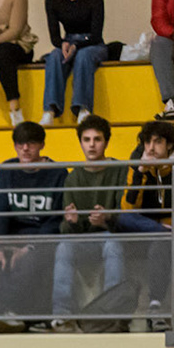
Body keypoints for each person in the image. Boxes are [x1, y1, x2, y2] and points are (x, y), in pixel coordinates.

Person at [118, 119, 174, 329]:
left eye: (157, 142)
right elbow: (128, 210)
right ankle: (116, 311)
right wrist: (140, 171)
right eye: (147, 142)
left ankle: (155, 306)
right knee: (121, 222)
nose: (150, 148)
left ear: (169, 144)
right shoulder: (138, 169)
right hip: (146, 232)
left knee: (161, 240)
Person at [50, 114, 129, 330]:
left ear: (106, 142)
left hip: (111, 235)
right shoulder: (73, 178)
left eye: (97, 139)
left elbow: (129, 215)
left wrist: (107, 220)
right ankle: (62, 314)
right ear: (81, 142)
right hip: (83, 238)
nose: (92, 145)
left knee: (112, 244)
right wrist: (73, 223)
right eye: (87, 140)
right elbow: (66, 230)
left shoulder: (121, 170)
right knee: (63, 248)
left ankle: (110, 311)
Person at [0, 120, 67, 329]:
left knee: (29, 260)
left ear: (41, 145)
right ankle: (1, 310)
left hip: (42, 236)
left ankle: (7, 309)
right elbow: (0, 212)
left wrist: (30, 246)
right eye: (20, 144)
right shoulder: (7, 169)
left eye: (31, 143)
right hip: (13, 234)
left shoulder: (58, 173)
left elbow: (56, 219)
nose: (25, 148)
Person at [41, 0, 104, 126]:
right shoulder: (52, 0)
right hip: (68, 42)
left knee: (83, 56)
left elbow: (96, 34)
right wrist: (63, 44)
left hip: (92, 43)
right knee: (54, 56)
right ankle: (50, 110)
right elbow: (55, 37)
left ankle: (83, 109)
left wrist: (77, 45)